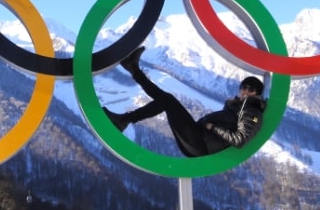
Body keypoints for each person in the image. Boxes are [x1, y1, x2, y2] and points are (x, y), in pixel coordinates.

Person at [102, 46, 267, 157]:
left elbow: (240, 140)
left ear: (257, 94)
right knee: (164, 98)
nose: (246, 91)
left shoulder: (252, 112)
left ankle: (123, 120)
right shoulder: (236, 107)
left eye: (251, 89)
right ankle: (133, 69)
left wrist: (212, 127)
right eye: (244, 87)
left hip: (200, 144)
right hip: (197, 136)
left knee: (167, 100)